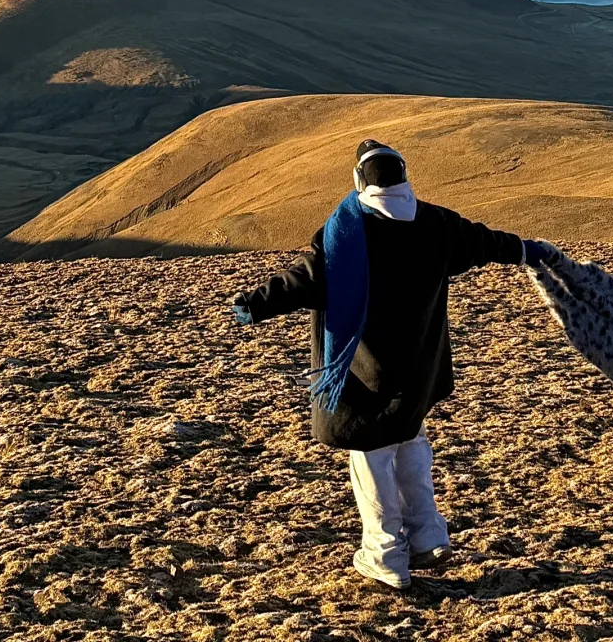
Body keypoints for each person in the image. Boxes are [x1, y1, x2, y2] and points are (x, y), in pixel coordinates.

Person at [231, 138, 545, 592]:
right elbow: (484, 241)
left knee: (372, 456)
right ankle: (429, 534)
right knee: (411, 440)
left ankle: (385, 556)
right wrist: (525, 250)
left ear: (361, 180)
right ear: (403, 176)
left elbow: (306, 279)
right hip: (419, 367)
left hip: (363, 375)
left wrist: (253, 305)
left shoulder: (347, 232)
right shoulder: (437, 224)